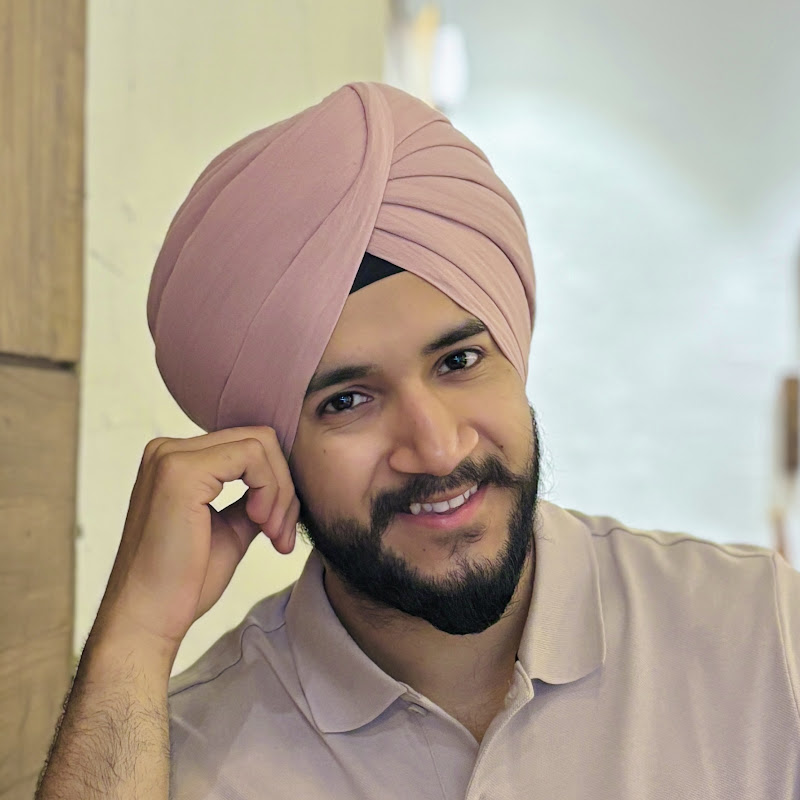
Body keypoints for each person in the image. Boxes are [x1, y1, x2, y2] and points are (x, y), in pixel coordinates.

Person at [36, 83, 799, 800]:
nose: (436, 448)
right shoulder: (173, 754)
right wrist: (134, 638)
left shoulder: (762, 635)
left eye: (459, 362)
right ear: (266, 452)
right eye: (348, 401)